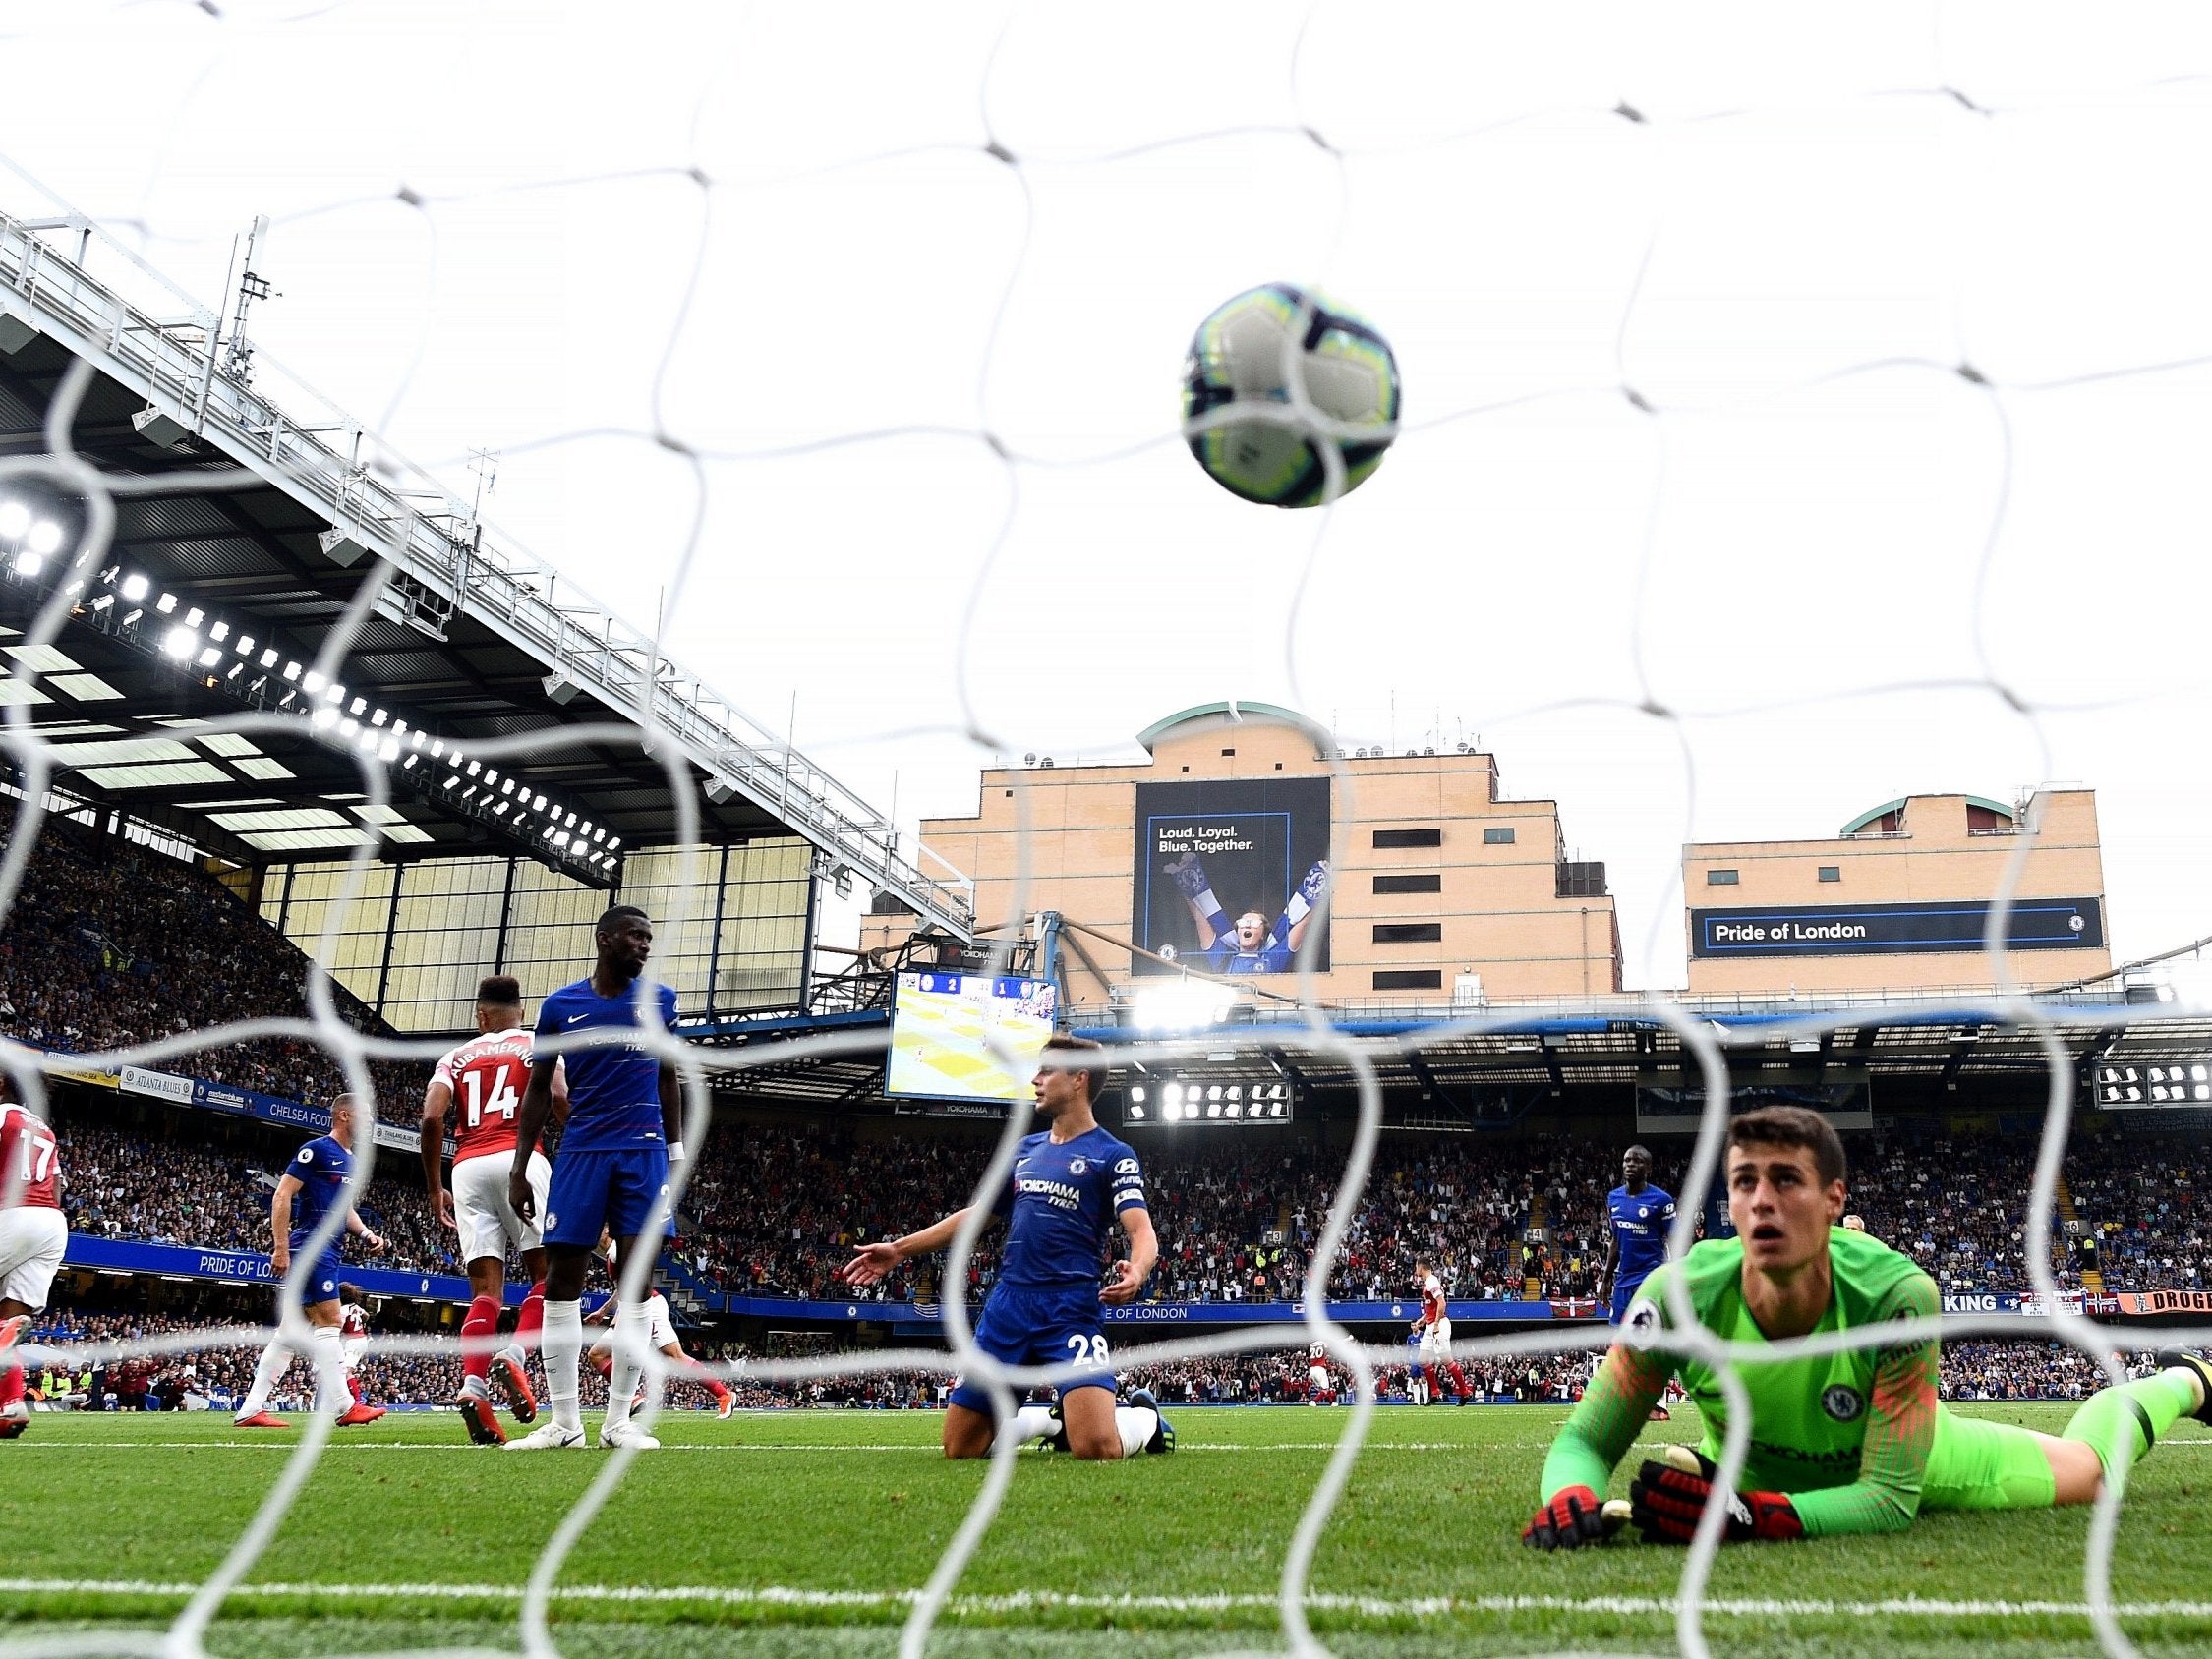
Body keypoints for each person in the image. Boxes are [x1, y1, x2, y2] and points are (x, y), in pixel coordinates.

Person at [1523, 1106, 2212, 1549]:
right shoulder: (1675, 1295)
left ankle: (2189, 1378)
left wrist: (1761, 1516)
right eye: (1743, 1183)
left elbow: (1887, 1500)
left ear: (1833, 1200)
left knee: (2090, 1474)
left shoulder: (1897, 1294)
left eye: (1786, 1180)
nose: (1762, 1201)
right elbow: (1585, 1439)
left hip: (1915, 1458)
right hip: (1744, 1469)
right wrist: (1569, 1497)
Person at [838, 1034, 1174, 1460]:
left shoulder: (1113, 1155)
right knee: (960, 1449)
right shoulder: (1024, 1151)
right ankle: (1051, 1420)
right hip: (1009, 1306)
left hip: (1070, 1309)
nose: (1035, 1078)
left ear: (1078, 1080)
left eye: (1047, 1070)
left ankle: (1146, 1419)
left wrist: (1139, 1270)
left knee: (1098, 1449)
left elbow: (1142, 1231)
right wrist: (900, 1249)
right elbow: (976, 1216)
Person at [503, 905, 680, 1453]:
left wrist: (673, 1154)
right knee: (562, 1278)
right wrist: (519, 1164)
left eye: (650, 938)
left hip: (643, 1149)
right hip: (581, 1149)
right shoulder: (560, 1007)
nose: (646, 945)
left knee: (636, 1281)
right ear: (604, 940)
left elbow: (668, 1076)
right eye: (636, 936)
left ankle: (618, 1423)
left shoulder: (661, 1001)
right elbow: (537, 1089)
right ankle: (564, 1423)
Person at [423, 974, 565, 1446]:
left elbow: (431, 1118)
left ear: (480, 1015)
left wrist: (434, 1187)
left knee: (486, 1291)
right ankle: (517, 1357)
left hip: (466, 1167)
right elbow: (561, 1099)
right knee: (548, 1275)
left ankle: (473, 1385)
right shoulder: (537, 1043)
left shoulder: (454, 1057)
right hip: (520, 1158)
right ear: (520, 1010)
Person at [233, 1095, 389, 1429]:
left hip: (331, 1247)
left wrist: (366, 1235)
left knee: (289, 1334)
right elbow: (282, 1194)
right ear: (344, 1115)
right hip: (312, 1247)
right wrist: (280, 1246)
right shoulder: (317, 1149)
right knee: (331, 1319)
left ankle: (250, 1409)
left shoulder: (349, 1160)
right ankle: (345, 1405)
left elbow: (343, 1209)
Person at [582, 1236, 734, 1420]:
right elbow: (623, 1288)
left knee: (673, 1356)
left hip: (645, 1306)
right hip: (642, 1305)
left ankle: (724, 1395)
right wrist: (603, 1311)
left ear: (606, 1229)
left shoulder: (617, 1250)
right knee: (598, 1355)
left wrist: (624, 1313)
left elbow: (636, 1282)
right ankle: (633, 1399)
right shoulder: (612, 1253)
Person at [0, 1085, 67, 1440]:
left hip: (12, 1214)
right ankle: (10, 1405)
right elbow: (56, 1187)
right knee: (7, 1321)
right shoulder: (44, 1128)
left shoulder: (2, 1115)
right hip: (51, 1223)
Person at [1161, 850, 1328, 974]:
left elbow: (1303, 922)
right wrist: (1185, 885)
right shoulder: (1222, 958)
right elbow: (1200, 917)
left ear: (1263, 934)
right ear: (1237, 930)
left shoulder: (1273, 958)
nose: (1247, 924)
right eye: (1243, 922)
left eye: (1254, 922)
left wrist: (1323, 886)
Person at [1600, 1145, 1675, 1327]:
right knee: (1619, 1336)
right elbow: (1616, 1242)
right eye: (1627, 1160)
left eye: (1637, 1161)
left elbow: (1678, 1239)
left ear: (1648, 1168)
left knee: (1649, 1335)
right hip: (1624, 1280)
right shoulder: (1614, 1198)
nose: (1630, 1164)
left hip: (1650, 1277)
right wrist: (1606, 1278)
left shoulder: (1662, 1200)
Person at [1412, 1263, 1470, 1404]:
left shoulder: (1431, 1281)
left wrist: (1436, 1323)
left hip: (1440, 1324)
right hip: (1431, 1325)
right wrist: (1422, 1319)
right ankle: (1435, 1392)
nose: (1415, 1270)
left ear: (1421, 1267)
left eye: (1416, 1267)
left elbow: (1442, 1303)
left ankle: (1465, 1392)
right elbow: (1432, 1306)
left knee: (1447, 1360)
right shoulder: (1427, 1283)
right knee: (1423, 1359)